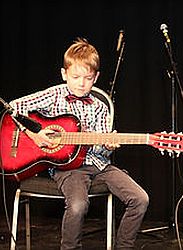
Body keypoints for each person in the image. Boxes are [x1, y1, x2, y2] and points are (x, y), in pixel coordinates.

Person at [10, 38, 149, 250]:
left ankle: (124, 247)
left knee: (140, 198)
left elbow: (101, 150)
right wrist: (35, 134)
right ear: (64, 74)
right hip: (68, 168)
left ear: (96, 77)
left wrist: (108, 145)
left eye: (88, 78)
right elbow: (13, 108)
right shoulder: (54, 95)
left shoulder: (101, 107)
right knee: (77, 205)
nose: (81, 83)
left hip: (99, 165)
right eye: (75, 77)